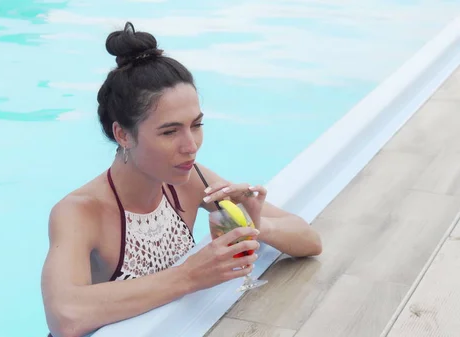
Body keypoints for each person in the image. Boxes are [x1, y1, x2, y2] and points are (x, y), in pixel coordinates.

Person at [40, 22, 322, 337]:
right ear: (123, 134)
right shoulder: (81, 211)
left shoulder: (188, 182)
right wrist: (191, 275)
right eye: (170, 131)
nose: (191, 146)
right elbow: (64, 315)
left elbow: (309, 240)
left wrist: (256, 226)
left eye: (196, 125)